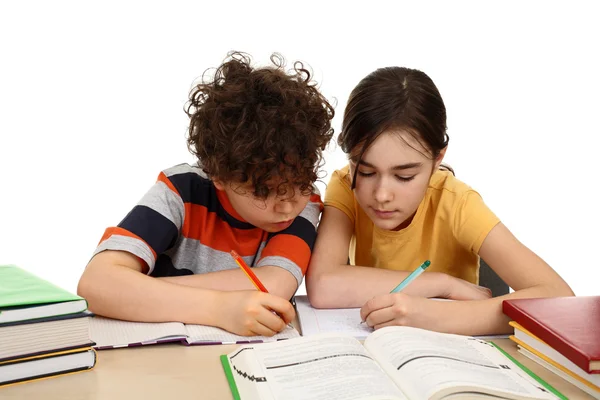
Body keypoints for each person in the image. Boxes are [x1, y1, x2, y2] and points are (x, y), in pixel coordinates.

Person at [77, 52, 335, 337]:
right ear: (219, 175)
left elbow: (272, 286)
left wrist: (136, 290)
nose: (287, 208)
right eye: (264, 192)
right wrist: (218, 308)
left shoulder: (306, 204)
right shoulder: (181, 190)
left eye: (300, 183)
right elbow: (96, 284)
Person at [306, 66, 573, 335]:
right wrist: (443, 284)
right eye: (365, 172)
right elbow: (323, 285)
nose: (381, 195)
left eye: (405, 176)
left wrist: (429, 314)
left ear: (437, 160)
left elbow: (558, 299)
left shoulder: (456, 203)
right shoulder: (345, 185)